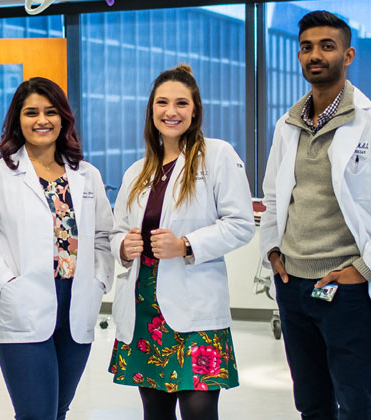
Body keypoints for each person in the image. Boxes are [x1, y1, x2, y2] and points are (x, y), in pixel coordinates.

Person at [259, 11, 371, 420]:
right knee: (310, 402)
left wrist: (365, 268)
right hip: (292, 285)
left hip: (347, 289)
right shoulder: (286, 125)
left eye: (327, 46)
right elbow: (273, 197)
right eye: (306, 47)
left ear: (349, 54)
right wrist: (272, 252)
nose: (315, 55)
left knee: (356, 403)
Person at [108, 64, 255, 420]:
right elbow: (116, 231)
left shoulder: (218, 156)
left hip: (196, 310)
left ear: (195, 110)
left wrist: (186, 244)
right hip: (146, 307)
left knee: (200, 410)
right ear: (151, 110)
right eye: (162, 103)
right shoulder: (137, 171)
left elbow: (241, 224)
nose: (171, 112)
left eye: (181, 104)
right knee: (155, 413)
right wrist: (123, 247)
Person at [0, 77, 114, 420]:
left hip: (77, 302)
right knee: (36, 414)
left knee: (58, 410)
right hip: (24, 305)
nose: (41, 120)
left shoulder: (86, 175)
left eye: (50, 112)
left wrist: (99, 282)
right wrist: (6, 283)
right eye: (31, 112)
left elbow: (104, 237)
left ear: (63, 118)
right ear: (18, 119)